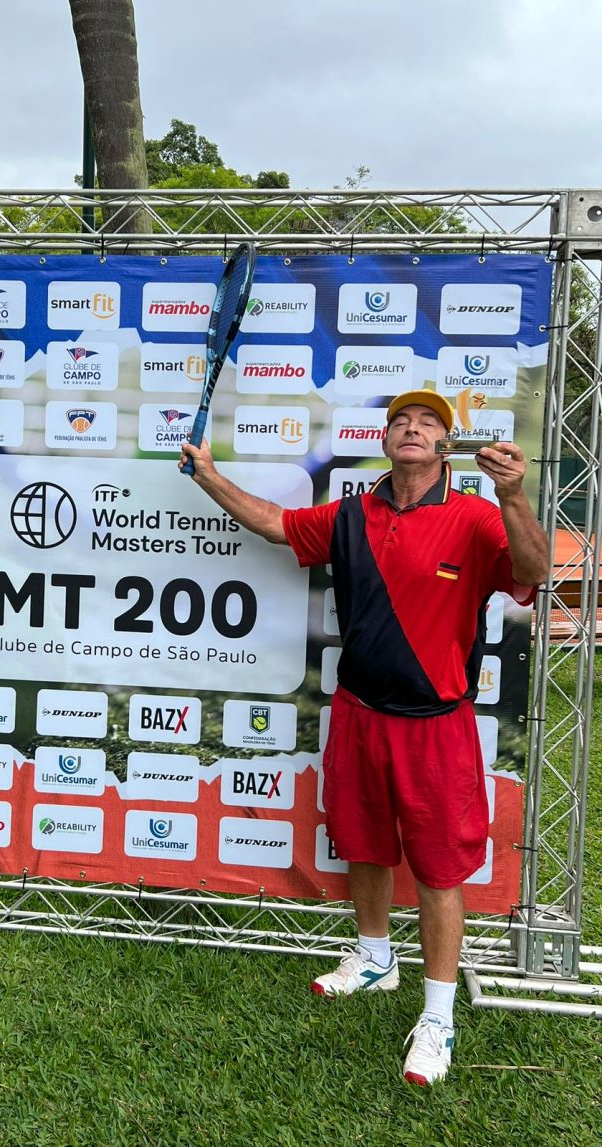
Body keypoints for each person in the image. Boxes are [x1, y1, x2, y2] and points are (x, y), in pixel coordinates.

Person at [179, 389, 549, 1086]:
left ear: (446, 446)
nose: (413, 428)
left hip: (435, 724)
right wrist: (209, 475)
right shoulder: (353, 513)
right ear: (384, 441)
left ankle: (437, 1017)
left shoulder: (476, 515)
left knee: (439, 870)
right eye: (400, 420)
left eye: (430, 422)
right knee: (365, 841)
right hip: (357, 711)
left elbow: (533, 572)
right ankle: (376, 956)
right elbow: (274, 523)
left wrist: (514, 495)